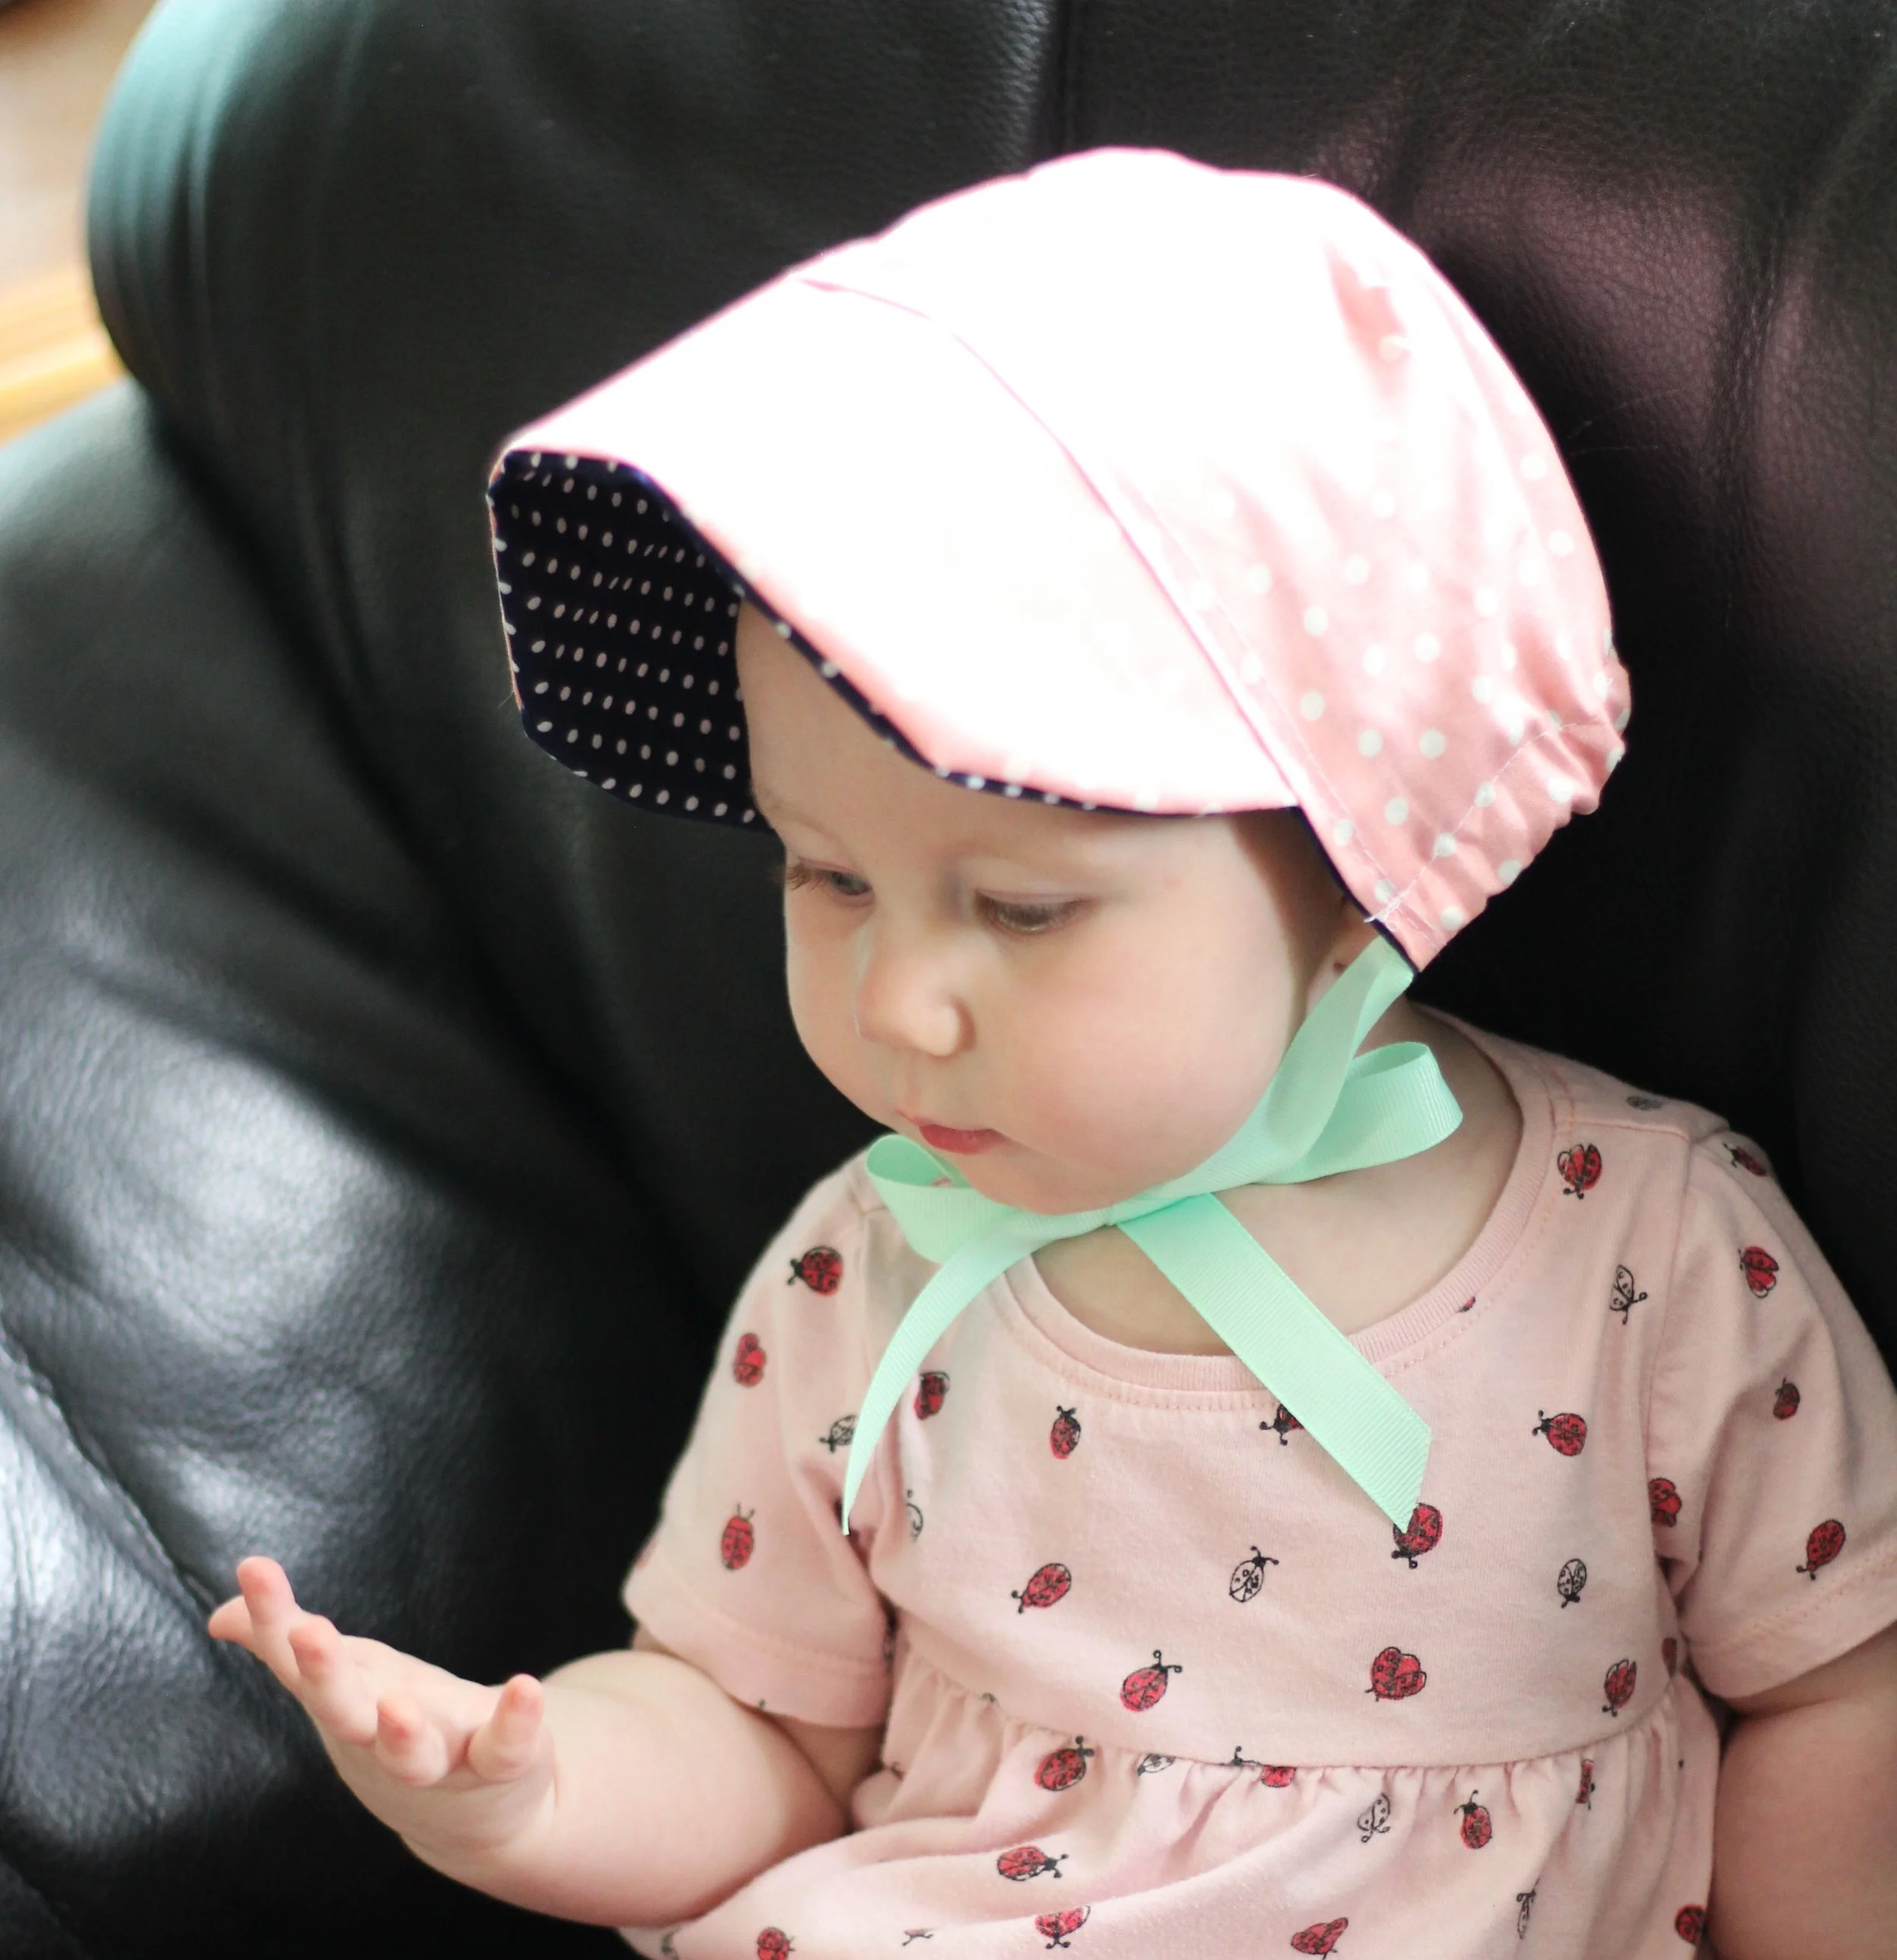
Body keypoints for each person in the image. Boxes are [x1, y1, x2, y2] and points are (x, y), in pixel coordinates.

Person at [208, 150, 1897, 1958]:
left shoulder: (1647, 1249)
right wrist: (529, 1792)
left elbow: (1837, 1687)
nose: (898, 1005)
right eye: (825, 875)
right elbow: (754, 1733)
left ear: (1367, 868)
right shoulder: (871, 1273)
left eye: (1019, 908)